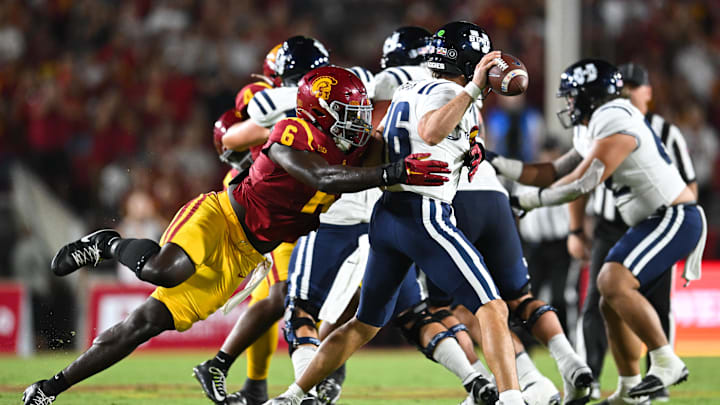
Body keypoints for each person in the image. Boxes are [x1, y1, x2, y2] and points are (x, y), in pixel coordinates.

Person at [21, 66, 450, 405]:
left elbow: (403, 146)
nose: (358, 123)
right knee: (162, 270)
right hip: (222, 218)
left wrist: (465, 149)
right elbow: (321, 175)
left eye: (358, 113)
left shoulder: (358, 146)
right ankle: (106, 243)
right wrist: (392, 171)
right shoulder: (291, 131)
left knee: (145, 323)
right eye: (348, 114)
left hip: (247, 254)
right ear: (320, 111)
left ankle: (50, 387)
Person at [267, 21, 527, 405]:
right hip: (423, 215)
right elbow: (432, 129)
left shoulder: (410, 89)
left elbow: (379, 146)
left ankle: (291, 395)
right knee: (492, 307)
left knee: (365, 323)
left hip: (387, 217)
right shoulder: (447, 90)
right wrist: (472, 88)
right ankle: (512, 399)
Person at [487, 59, 706, 404]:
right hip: (648, 221)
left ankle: (666, 362)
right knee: (608, 301)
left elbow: (584, 181)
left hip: (674, 215)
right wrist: (498, 162)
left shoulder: (615, 114)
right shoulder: (594, 125)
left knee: (612, 281)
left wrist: (527, 202)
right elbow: (553, 170)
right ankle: (631, 387)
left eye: (573, 97)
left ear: (590, 95)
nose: (569, 104)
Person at [193, 39, 318, 405]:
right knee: (289, 299)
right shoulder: (263, 94)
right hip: (270, 204)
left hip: (295, 205)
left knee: (271, 299)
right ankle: (305, 384)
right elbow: (239, 124)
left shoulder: (300, 97)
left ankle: (254, 385)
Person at [569, 63, 698, 402]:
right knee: (601, 303)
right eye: (622, 85)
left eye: (635, 85)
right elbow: (578, 182)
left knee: (648, 299)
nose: (627, 90)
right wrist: (576, 228)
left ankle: (662, 371)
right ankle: (614, 382)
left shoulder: (664, 130)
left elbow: (688, 183)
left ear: (648, 92)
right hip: (612, 226)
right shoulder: (593, 127)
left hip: (658, 222)